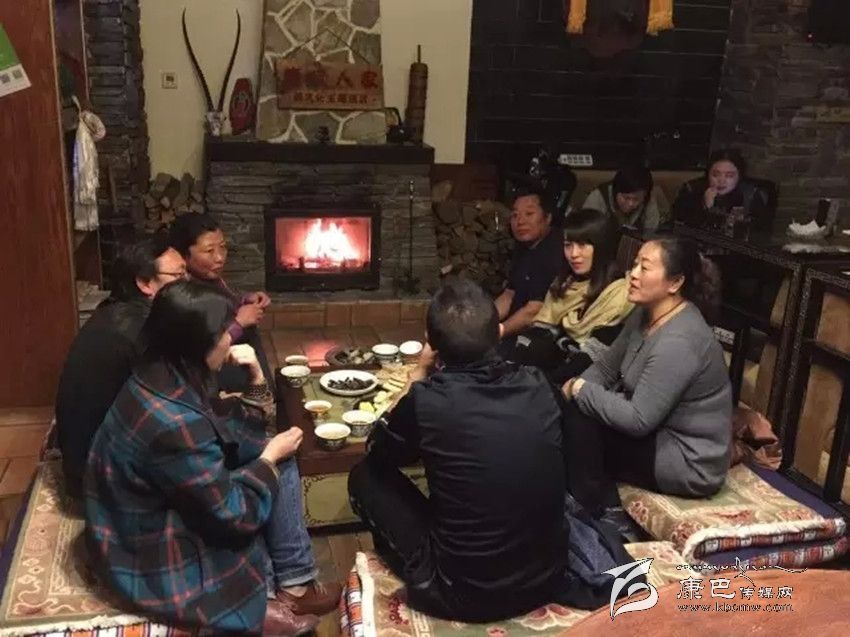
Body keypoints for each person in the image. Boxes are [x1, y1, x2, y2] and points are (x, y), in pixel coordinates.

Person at [85, 280, 339, 636]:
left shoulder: (161, 370)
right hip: (146, 548)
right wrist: (267, 460)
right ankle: (271, 596)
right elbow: (234, 514)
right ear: (197, 342)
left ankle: (295, 585)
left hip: (143, 507)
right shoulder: (175, 422)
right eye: (224, 332)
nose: (230, 340)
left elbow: (229, 426)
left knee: (274, 456)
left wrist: (255, 376)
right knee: (272, 466)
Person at [348, 278, 568, 622]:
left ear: (431, 343)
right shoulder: (540, 384)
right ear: (498, 333)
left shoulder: (427, 400)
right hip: (548, 579)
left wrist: (419, 372)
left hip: (464, 595)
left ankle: (404, 565)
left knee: (365, 476)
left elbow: (378, 449)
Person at [560, 236, 732, 515]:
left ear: (675, 283)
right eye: (635, 264)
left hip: (686, 458)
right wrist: (570, 394)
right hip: (656, 430)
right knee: (570, 410)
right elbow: (605, 368)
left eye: (645, 267)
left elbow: (638, 419)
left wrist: (580, 390)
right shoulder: (645, 313)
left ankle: (594, 510)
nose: (633, 274)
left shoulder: (680, 340)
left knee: (582, 422)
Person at [55, 234, 187, 498]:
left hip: (89, 462)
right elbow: (179, 402)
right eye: (178, 276)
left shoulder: (113, 310)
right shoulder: (142, 331)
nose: (188, 283)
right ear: (145, 283)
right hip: (104, 481)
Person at [509, 209, 634, 382]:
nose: (574, 254)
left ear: (601, 247)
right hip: (547, 371)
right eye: (568, 245)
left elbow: (592, 359)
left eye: (582, 245)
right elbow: (541, 330)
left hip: (581, 382)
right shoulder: (566, 282)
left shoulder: (618, 294)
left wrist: (543, 384)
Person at [169, 213, 273, 391]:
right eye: (209, 251)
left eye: (223, 247)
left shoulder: (208, 277)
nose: (220, 257)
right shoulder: (184, 294)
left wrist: (244, 299)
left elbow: (222, 305)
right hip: (217, 372)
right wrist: (239, 322)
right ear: (184, 255)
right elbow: (206, 354)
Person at [494, 187, 566, 338]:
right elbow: (509, 294)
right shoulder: (523, 246)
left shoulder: (555, 251)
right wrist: (483, 323)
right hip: (515, 325)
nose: (520, 221)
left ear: (548, 218)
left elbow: (534, 309)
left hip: (541, 335)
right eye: (515, 215)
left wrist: (496, 333)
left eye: (529, 214)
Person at [671, 149, 771, 233]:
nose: (721, 181)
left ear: (739, 177)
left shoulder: (751, 195)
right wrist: (704, 206)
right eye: (715, 175)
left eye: (729, 176)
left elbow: (761, 233)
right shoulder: (692, 190)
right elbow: (677, 226)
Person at [582, 165, 665, 230]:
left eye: (636, 199)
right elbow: (586, 231)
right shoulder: (598, 197)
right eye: (626, 198)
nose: (631, 203)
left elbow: (651, 231)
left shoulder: (648, 199)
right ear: (616, 191)